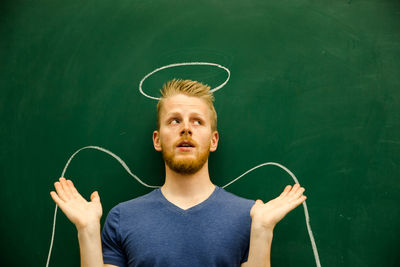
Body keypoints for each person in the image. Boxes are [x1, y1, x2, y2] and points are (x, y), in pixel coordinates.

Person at [50, 79, 307, 267]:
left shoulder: (251, 217)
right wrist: (87, 231)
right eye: (174, 120)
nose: (186, 128)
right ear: (157, 139)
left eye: (197, 121)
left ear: (214, 140)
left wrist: (262, 231)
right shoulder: (122, 218)